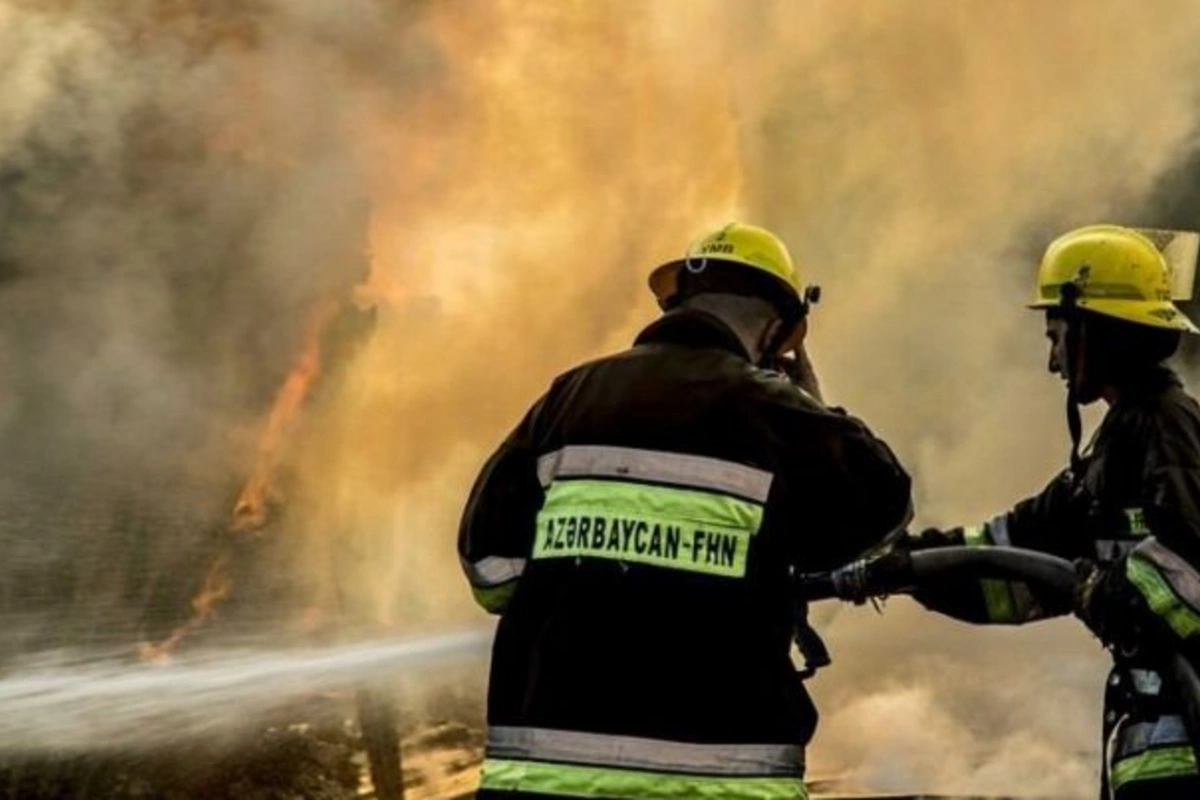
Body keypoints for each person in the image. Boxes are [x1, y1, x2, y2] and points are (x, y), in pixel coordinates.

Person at [458, 222, 912, 799]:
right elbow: (885, 506)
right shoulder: (774, 411)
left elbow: (489, 571)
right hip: (720, 779)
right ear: (779, 332)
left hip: (548, 774)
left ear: (676, 303)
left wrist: (587, 590)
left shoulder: (568, 398)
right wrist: (814, 404)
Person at [908, 224, 1200, 798]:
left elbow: (1191, 558)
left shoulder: (1169, 428)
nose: (1052, 363)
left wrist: (1112, 590)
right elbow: (1016, 556)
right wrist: (907, 563)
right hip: (1154, 755)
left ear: (1095, 330)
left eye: (1056, 335)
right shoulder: (1113, 451)